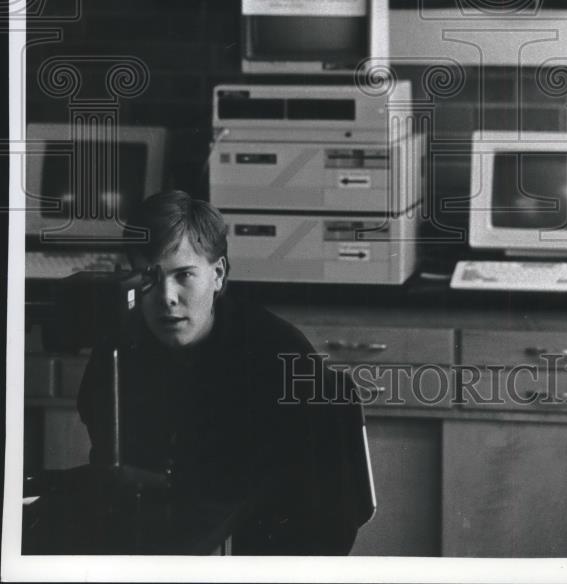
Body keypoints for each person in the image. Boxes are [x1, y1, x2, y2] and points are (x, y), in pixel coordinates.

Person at [77, 190, 371, 555]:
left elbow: (321, 513)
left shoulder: (277, 352)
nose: (167, 296)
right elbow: (111, 466)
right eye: (149, 277)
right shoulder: (118, 347)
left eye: (184, 275)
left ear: (217, 274)